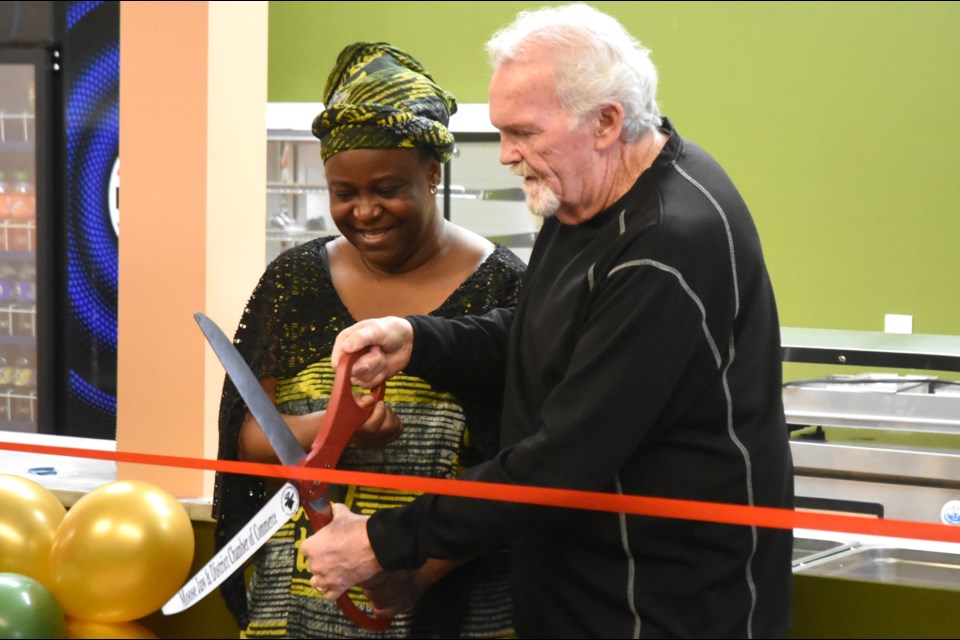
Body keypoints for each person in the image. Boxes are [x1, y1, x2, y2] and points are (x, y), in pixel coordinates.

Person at [300, 4, 795, 639]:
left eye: (525, 133)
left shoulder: (665, 246)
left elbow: (563, 462)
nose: (506, 155)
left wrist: (382, 540)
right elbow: (538, 331)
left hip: (663, 607)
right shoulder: (585, 196)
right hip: (576, 593)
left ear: (607, 122)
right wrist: (417, 339)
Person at [212, 42, 526, 638]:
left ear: (433, 173)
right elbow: (248, 436)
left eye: (386, 188)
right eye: (343, 192)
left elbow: (515, 471)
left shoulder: (505, 290)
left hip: (454, 599)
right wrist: (333, 427)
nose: (364, 212)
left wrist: (411, 574)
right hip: (308, 594)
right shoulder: (295, 281)